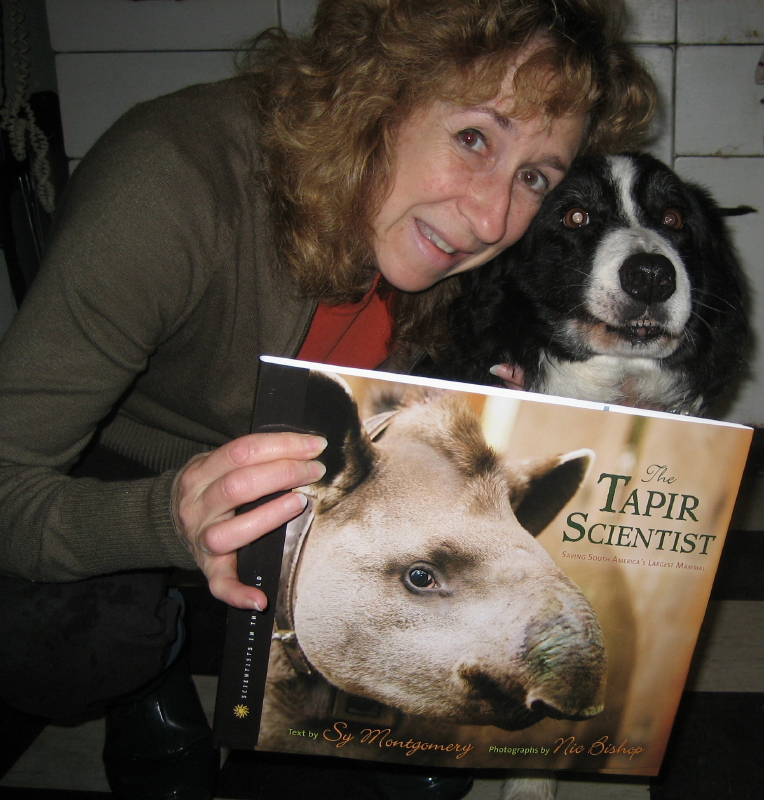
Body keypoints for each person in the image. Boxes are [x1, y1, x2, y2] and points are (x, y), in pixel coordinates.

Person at [0, 1, 656, 798]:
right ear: (378, 93)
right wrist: (162, 519)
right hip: (134, 461)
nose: (491, 219)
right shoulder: (169, 185)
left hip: (333, 493)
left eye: (533, 177)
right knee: (74, 643)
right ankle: (145, 686)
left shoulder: (448, 236)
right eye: (473, 138)